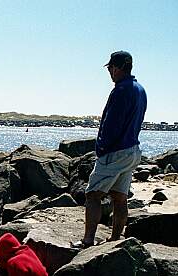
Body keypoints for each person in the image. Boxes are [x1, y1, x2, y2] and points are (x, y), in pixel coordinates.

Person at [74, 50, 147, 248]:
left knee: (93, 194)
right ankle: (115, 239)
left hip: (115, 151)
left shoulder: (121, 90)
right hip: (132, 149)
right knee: (120, 197)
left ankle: (88, 240)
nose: (110, 72)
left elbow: (111, 124)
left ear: (119, 67)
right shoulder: (140, 90)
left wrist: (102, 147)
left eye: (111, 68)